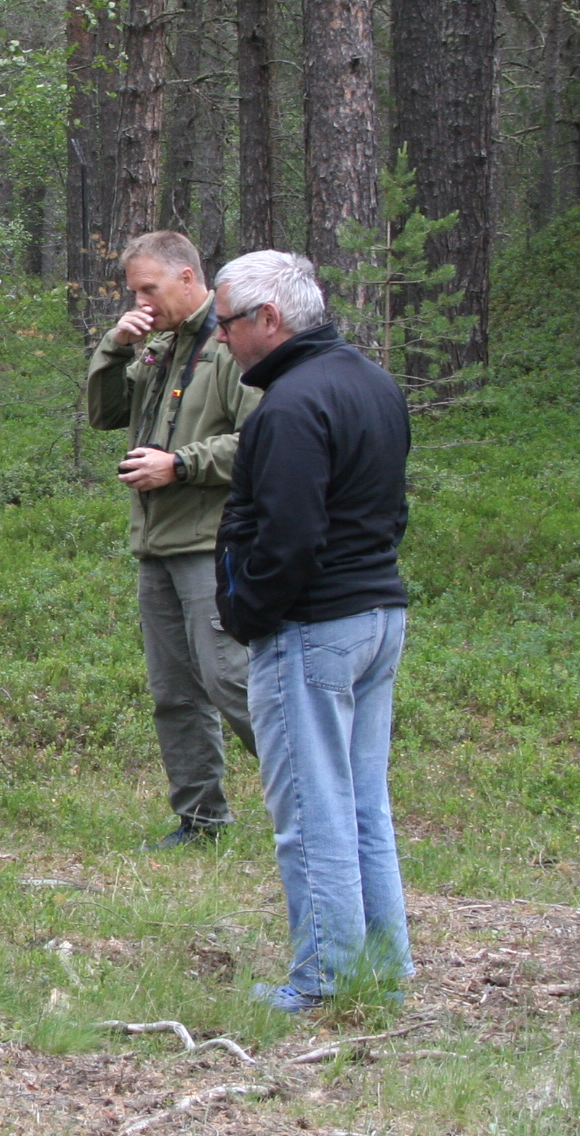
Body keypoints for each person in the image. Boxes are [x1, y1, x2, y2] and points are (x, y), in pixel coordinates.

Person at [212, 250, 413, 1013]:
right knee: (361, 800)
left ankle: (325, 976)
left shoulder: (292, 406)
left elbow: (288, 538)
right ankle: (382, 968)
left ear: (269, 319)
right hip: (376, 616)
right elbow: (392, 510)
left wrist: (250, 613)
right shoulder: (372, 383)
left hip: (315, 626)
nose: (221, 338)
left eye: (227, 323)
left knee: (312, 806)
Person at [86, 230, 259, 848]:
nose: (141, 300)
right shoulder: (160, 343)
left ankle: (318, 797)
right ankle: (200, 819)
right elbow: (105, 414)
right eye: (134, 290)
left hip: (211, 543)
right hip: (157, 543)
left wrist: (180, 464)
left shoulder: (233, 344)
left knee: (230, 681)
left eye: (149, 288)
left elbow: (261, 440)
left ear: (188, 278)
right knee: (174, 693)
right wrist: (115, 347)